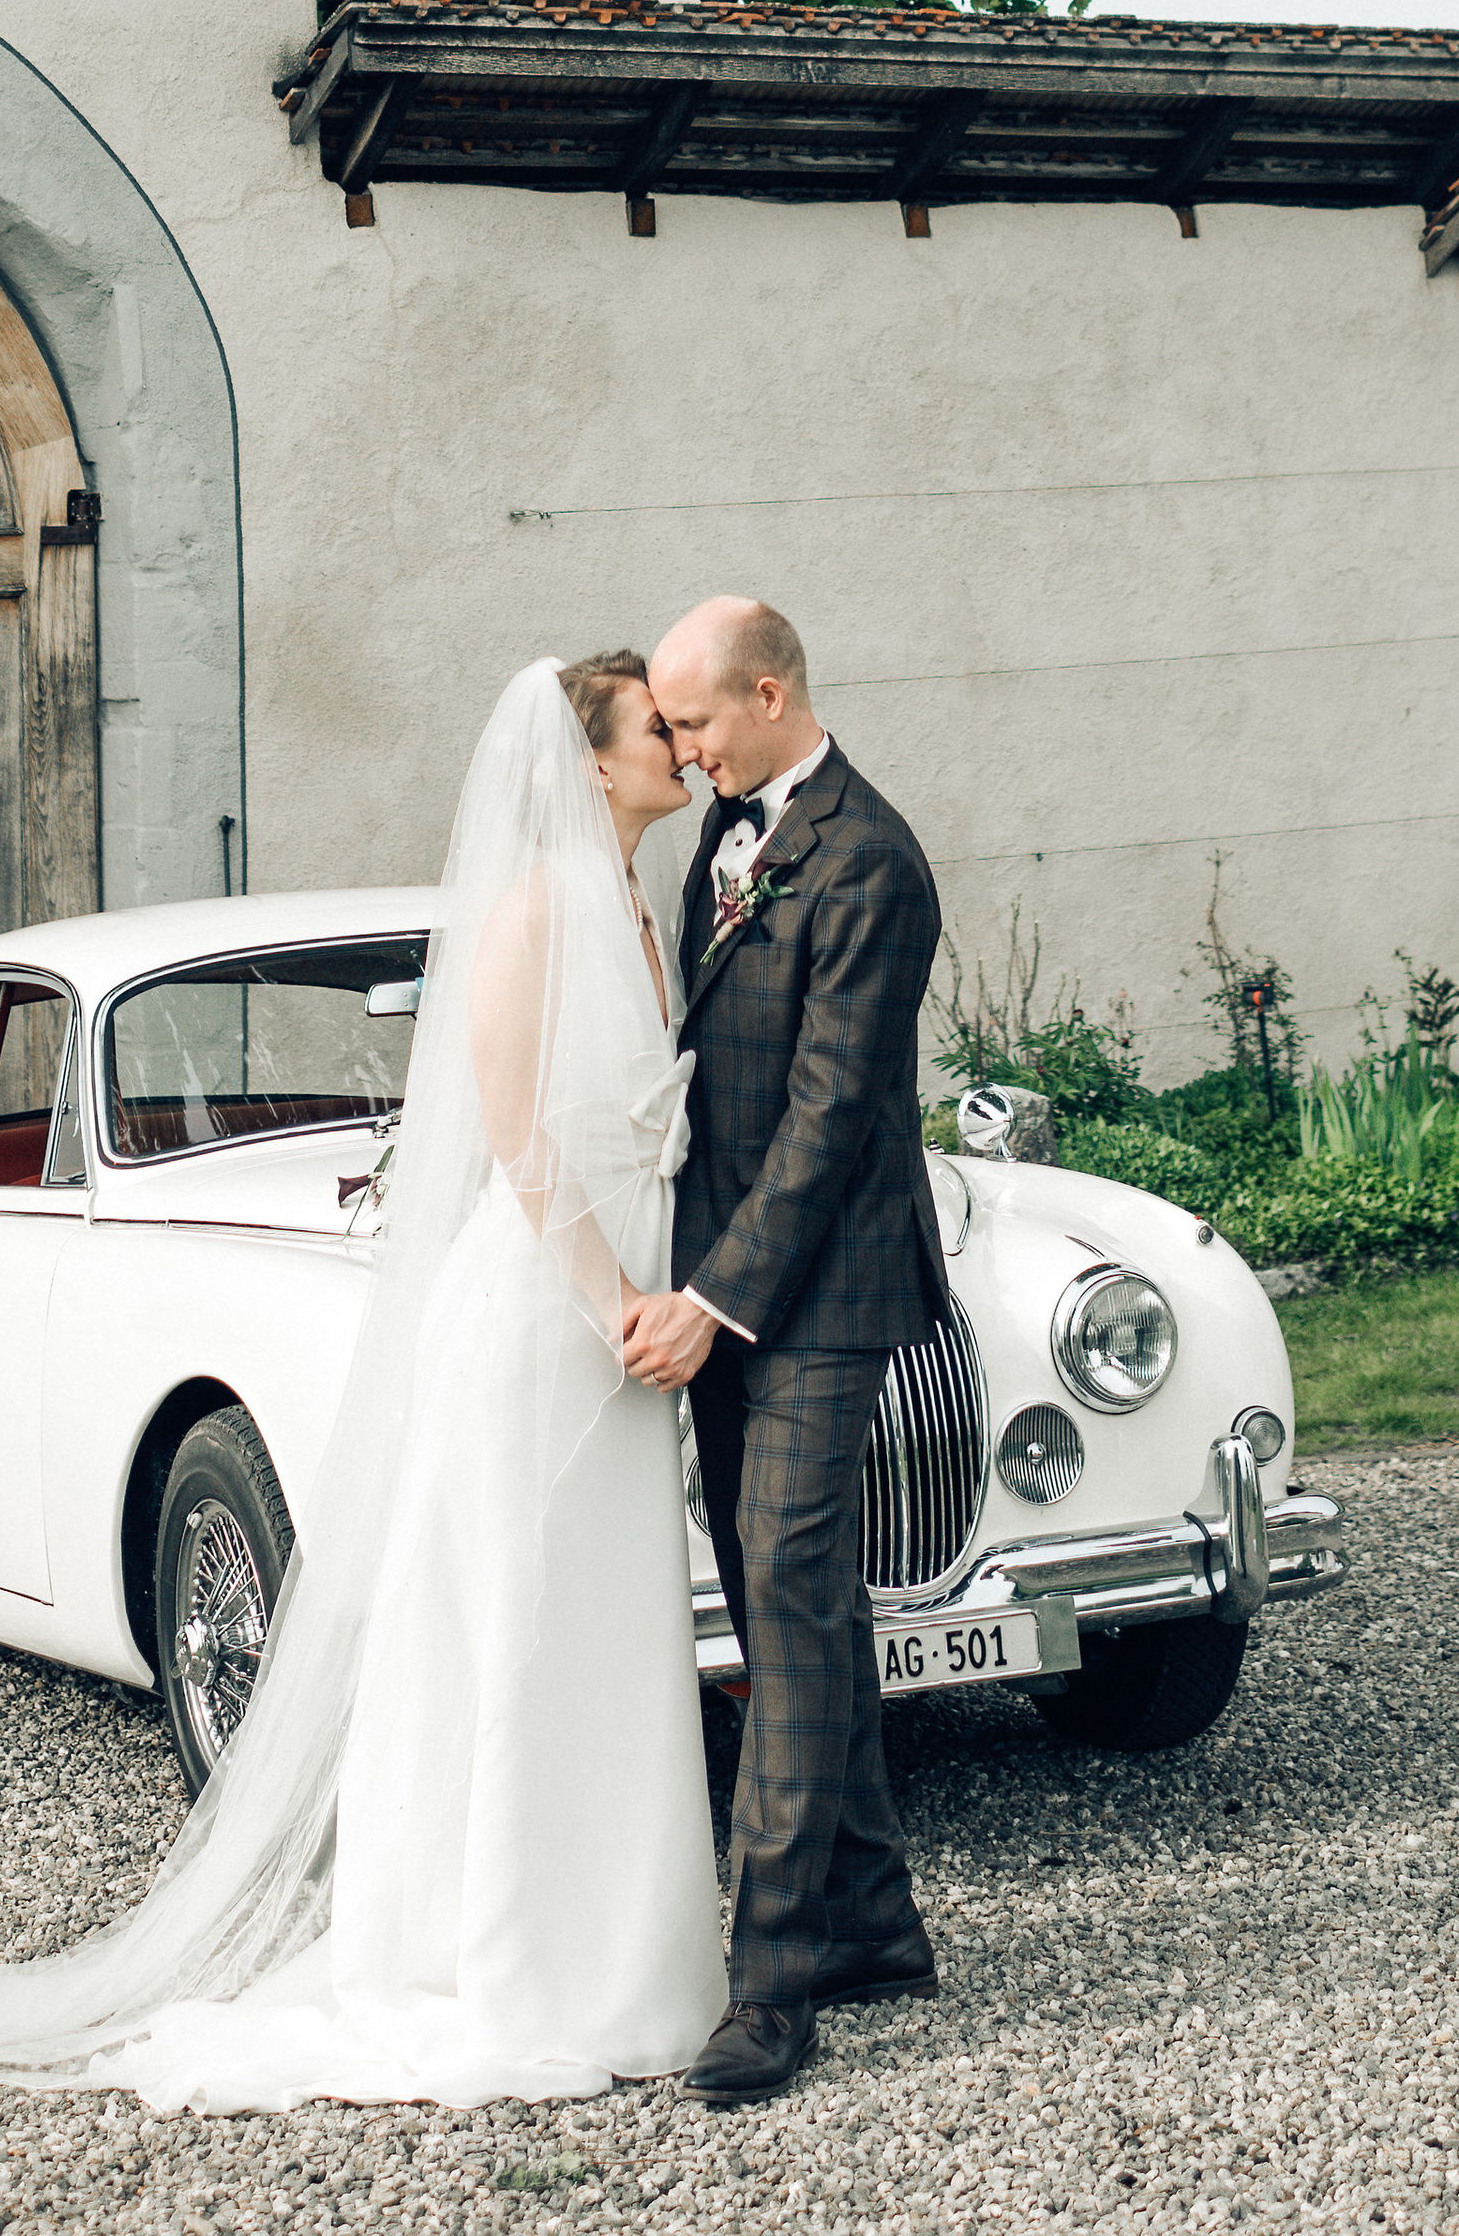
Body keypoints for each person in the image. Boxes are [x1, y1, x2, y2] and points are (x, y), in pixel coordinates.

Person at [0, 653, 726, 2111]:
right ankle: (507, 1967)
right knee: (521, 1632)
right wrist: (622, 1304)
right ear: (595, 758)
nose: (683, 744)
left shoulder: (637, 900)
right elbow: (514, 1133)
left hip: (627, 1315)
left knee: (605, 1632)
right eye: (659, 729)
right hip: (553, 1315)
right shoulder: (533, 907)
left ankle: (618, 1956)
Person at [623, 597, 949, 2107]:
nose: (680, 753)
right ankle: (874, 1920)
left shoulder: (873, 861)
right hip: (731, 1281)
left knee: (796, 1584)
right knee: (780, 1600)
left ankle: (772, 1985)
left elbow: (830, 1120)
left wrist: (717, 1298)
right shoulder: (727, 841)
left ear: (767, 692)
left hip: (822, 1289)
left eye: (693, 723)